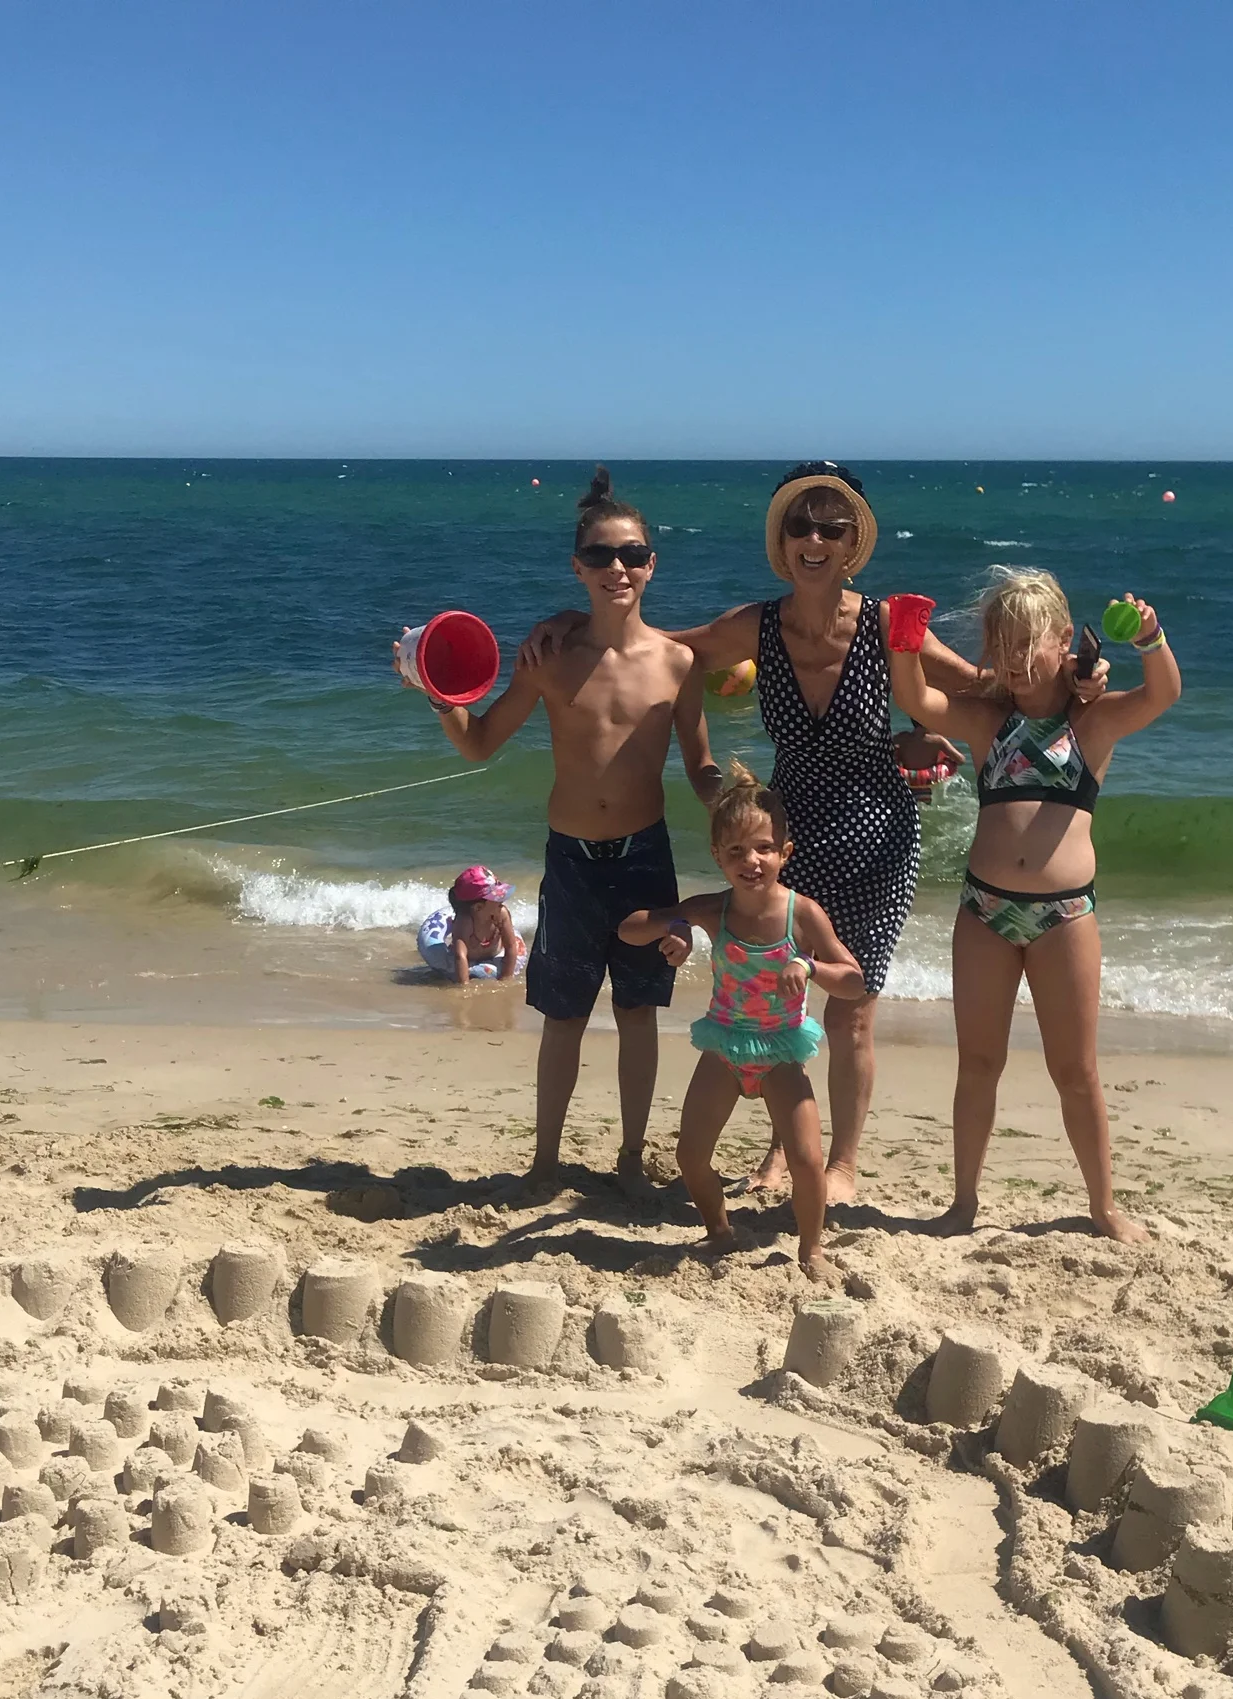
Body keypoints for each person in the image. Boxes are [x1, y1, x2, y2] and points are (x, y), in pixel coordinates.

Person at [523, 462, 988, 1204]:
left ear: (850, 545)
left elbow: (972, 687)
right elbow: (652, 645)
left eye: (831, 529)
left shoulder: (883, 623)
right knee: (781, 1003)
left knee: (854, 1008)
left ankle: (841, 1163)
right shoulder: (755, 626)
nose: (814, 539)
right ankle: (780, 1151)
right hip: (785, 836)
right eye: (800, 526)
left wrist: (934, 733)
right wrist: (571, 624)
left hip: (875, 834)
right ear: (783, 540)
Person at [420, 467, 720, 1186]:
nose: (615, 568)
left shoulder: (679, 663)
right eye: (598, 556)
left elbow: (700, 765)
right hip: (573, 862)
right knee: (563, 1017)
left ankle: (628, 1159)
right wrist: (437, 691)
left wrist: (737, 804)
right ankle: (546, 1161)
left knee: (641, 1010)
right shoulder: (550, 658)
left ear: (652, 564)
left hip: (645, 858)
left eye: (630, 555)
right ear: (576, 567)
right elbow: (481, 741)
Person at [889, 569, 1181, 1243]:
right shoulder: (986, 721)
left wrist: (1149, 636)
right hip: (984, 913)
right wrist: (905, 630)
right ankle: (962, 1203)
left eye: (1026, 642)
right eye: (1000, 643)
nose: (1012, 660)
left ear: (1059, 639)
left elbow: (1163, 692)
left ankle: (1103, 1206)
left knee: (1075, 1071)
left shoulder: (1091, 723)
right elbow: (915, 695)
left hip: (1063, 919)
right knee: (977, 1063)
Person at [620, 765, 864, 1280]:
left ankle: (811, 1250)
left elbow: (854, 980)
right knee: (690, 1156)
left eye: (763, 849)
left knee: (805, 1160)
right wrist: (681, 926)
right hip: (724, 1048)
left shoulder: (804, 915)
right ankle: (720, 1232)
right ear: (717, 857)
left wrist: (810, 965)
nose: (751, 861)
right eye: (736, 852)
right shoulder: (714, 909)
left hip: (779, 1053)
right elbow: (629, 930)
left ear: (784, 852)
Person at [416, 865, 525, 983]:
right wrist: (464, 988)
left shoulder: (501, 914)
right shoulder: (464, 921)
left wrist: (506, 978)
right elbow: (460, 956)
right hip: (467, 959)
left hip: (495, 955)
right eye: (496, 897)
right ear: (478, 907)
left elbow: (511, 947)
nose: (502, 899)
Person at [893, 726, 968, 804]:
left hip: (905, 786)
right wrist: (947, 760)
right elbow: (961, 760)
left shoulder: (901, 738)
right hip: (928, 788)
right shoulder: (937, 741)